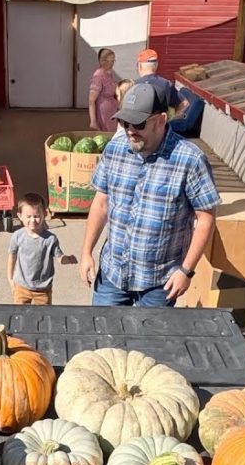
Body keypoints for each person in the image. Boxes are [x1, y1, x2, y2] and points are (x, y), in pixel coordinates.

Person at [79, 82, 220, 307]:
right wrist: (87, 252)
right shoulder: (114, 151)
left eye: (138, 123)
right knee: (102, 336)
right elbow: (101, 204)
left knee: (148, 342)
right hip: (112, 274)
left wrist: (186, 270)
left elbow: (206, 218)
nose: (130, 130)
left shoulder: (190, 160)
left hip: (159, 282)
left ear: (161, 120)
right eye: (125, 122)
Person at [7, 192, 77, 305]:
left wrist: (67, 259)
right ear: (20, 216)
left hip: (43, 289)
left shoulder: (50, 239)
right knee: (20, 316)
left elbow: (59, 257)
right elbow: (12, 256)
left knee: (43, 317)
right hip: (21, 286)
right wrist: (10, 279)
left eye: (36, 216)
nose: (33, 220)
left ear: (44, 214)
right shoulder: (18, 236)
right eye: (28, 217)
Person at [135, 49, 190, 118]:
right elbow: (184, 103)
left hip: (139, 126)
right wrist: (170, 118)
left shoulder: (134, 85)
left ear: (139, 66)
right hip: (160, 125)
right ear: (156, 65)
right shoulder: (166, 84)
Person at [88, 48, 119, 132]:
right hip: (103, 116)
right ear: (101, 60)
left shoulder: (108, 74)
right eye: (107, 61)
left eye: (112, 61)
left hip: (111, 115)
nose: (110, 64)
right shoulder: (99, 75)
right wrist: (93, 122)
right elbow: (91, 100)